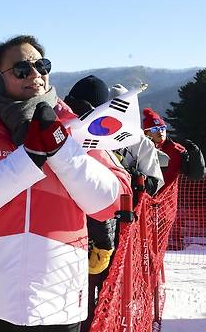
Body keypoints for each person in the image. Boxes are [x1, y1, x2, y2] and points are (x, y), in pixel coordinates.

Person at [0, 35, 131, 331]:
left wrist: (61, 150)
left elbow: (109, 203)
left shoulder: (75, 126)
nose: (35, 75)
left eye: (41, 66)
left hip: (59, 301)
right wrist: (28, 159)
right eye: (21, 69)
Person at [63, 75, 129, 332]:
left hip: (49, 241)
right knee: (86, 306)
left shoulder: (52, 128)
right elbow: (104, 201)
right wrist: (104, 243)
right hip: (83, 241)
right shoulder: (91, 139)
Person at [143, 107, 205, 188]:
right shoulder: (140, 150)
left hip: (167, 198)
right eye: (155, 129)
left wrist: (194, 152)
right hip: (145, 196)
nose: (160, 131)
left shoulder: (176, 150)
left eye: (162, 128)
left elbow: (195, 175)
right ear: (146, 133)